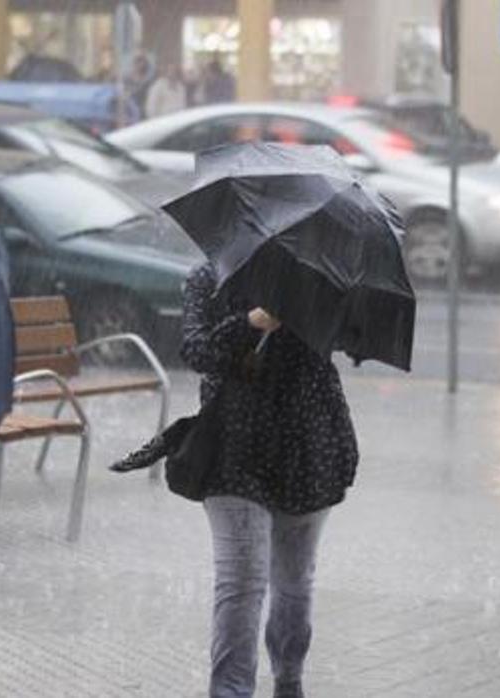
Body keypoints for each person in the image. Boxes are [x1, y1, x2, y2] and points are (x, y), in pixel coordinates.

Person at [180, 262, 358, 698]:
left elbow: (349, 338)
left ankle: (289, 679)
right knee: (241, 580)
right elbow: (196, 351)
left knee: (294, 579)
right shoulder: (209, 275)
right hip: (233, 449)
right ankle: (230, 691)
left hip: (307, 446)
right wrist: (253, 322)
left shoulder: (320, 273)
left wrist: (313, 302)